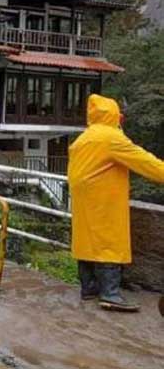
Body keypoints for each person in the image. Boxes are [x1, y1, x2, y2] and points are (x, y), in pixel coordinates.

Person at [69, 94, 164, 312]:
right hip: (104, 200)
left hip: (83, 201)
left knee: (86, 240)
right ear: (113, 116)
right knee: (108, 242)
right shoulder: (111, 138)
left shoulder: (83, 138)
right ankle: (110, 294)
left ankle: (89, 288)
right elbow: (146, 162)